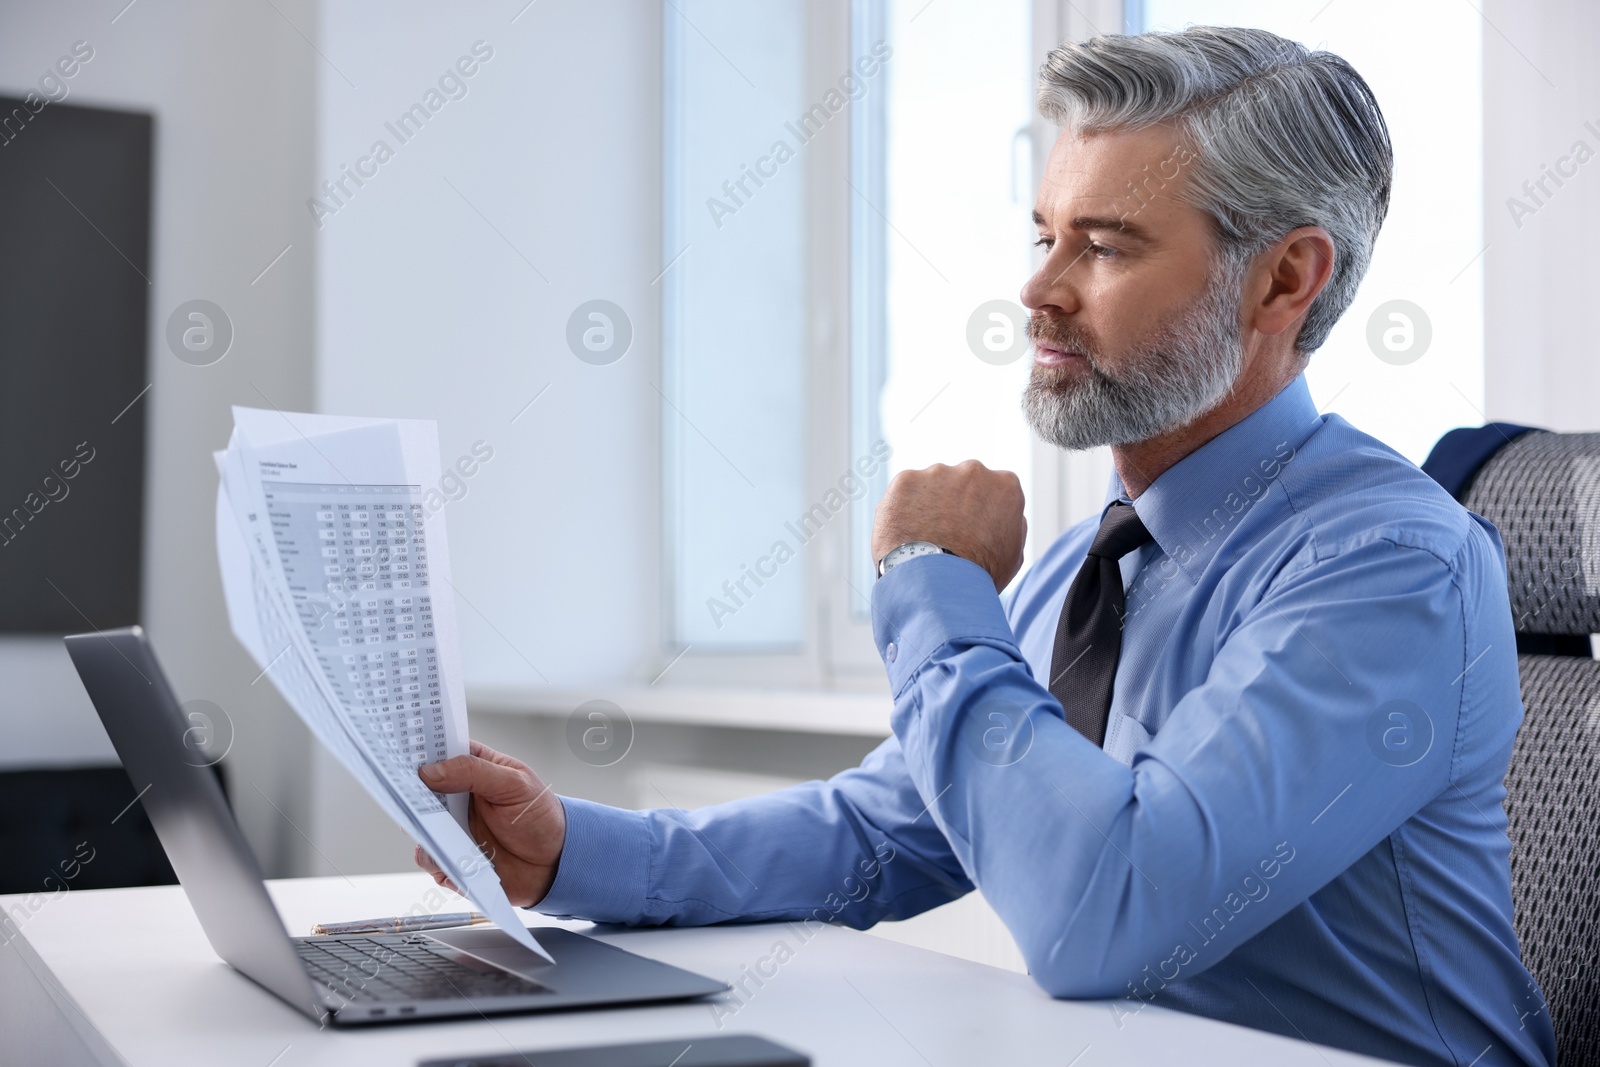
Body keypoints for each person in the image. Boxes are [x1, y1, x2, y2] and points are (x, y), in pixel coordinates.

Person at [417, 26, 1555, 1067]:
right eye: (1044, 235)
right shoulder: (1083, 565)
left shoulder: (1390, 564)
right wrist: (571, 854)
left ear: (1282, 277)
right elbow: (886, 830)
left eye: (1103, 246)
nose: (1038, 290)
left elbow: (1101, 915)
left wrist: (935, 584)